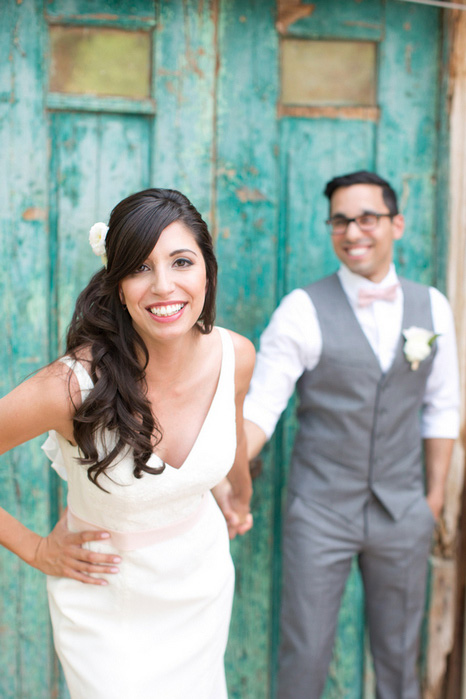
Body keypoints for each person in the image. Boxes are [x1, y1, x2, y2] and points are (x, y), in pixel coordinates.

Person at [0, 188, 254, 698]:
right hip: (108, 604)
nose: (164, 286)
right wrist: (34, 549)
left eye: (181, 261)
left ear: (207, 269)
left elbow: (234, 431)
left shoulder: (236, 355)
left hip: (200, 584)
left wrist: (236, 494)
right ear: (117, 286)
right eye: (140, 268)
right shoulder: (71, 386)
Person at [244, 171, 460, 699]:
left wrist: (431, 500)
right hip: (320, 511)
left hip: (404, 510)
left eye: (367, 217)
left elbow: (441, 408)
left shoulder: (431, 306)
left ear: (397, 224)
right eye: (340, 220)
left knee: (399, 659)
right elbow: (262, 409)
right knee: (306, 655)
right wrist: (222, 472)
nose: (353, 230)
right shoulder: (301, 309)